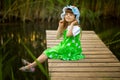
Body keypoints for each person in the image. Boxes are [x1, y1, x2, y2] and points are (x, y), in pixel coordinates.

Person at [19, 5, 85, 72]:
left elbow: (68, 35)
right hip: (65, 46)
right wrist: (60, 26)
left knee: (48, 52)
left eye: (71, 15)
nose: (68, 16)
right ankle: (31, 65)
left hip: (71, 49)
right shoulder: (67, 26)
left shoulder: (77, 28)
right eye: (66, 14)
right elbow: (58, 36)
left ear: (75, 17)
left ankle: (30, 66)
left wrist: (72, 24)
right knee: (47, 51)